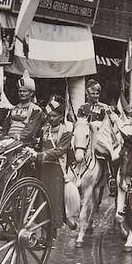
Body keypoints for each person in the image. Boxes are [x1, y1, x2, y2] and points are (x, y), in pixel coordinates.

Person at [29, 96, 74, 229]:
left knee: (54, 201)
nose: (51, 119)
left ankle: (51, 234)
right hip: (43, 169)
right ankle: (43, 230)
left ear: (61, 117)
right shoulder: (44, 130)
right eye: (49, 116)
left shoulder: (66, 132)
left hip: (56, 170)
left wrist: (40, 155)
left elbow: (59, 151)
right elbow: (39, 145)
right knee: (42, 199)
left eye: (54, 116)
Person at [4, 71, 44, 146]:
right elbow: (6, 127)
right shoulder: (12, 108)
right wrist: (3, 137)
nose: (22, 93)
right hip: (9, 140)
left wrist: (16, 138)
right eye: (20, 91)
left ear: (31, 93)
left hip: (25, 142)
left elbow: (30, 130)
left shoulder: (36, 110)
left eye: (24, 91)